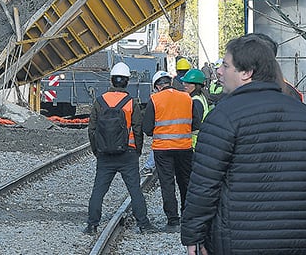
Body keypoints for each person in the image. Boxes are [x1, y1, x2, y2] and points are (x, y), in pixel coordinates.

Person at [180, 34, 306, 254]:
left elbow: (204, 185)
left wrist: (193, 236)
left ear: (246, 72)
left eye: (225, 65)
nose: (219, 72)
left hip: (239, 242)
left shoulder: (223, 117)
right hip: (302, 242)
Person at [84, 62, 157, 235]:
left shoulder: (100, 101)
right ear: (126, 82)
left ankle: (92, 225)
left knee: (98, 190)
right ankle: (143, 225)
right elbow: (138, 129)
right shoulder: (131, 103)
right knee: (134, 190)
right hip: (128, 153)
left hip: (104, 154)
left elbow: (92, 129)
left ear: (111, 80)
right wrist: (137, 151)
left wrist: (97, 151)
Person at [143, 68, 202, 231]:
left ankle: (173, 221)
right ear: (170, 83)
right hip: (184, 148)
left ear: (157, 86)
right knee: (185, 182)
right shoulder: (186, 98)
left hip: (163, 150)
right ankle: (188, 216)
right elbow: (196, 124)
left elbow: (147, 128)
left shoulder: (154, 99)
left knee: (167, 184)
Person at [180, 69, 212, 147]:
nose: (184, 84)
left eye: (188, 83)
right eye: (184, 82)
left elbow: (195, 124)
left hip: (195, 142)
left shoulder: (196, 101)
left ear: (196, 85)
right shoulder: (201, 96)